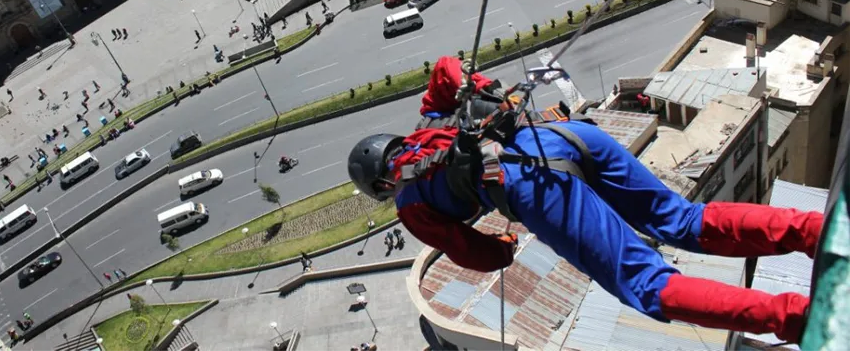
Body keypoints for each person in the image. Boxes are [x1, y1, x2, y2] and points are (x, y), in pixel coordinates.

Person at [347, 56, 822, 344]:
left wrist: (505, 249)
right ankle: (812, 230)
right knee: (684, 220)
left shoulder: (409, 206)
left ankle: (794, 319)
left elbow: (471, 251)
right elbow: (445, 69)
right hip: (563, 135)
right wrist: (480, 83)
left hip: (532, 187)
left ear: (380, 185)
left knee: (649, 287)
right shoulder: (427, 124)